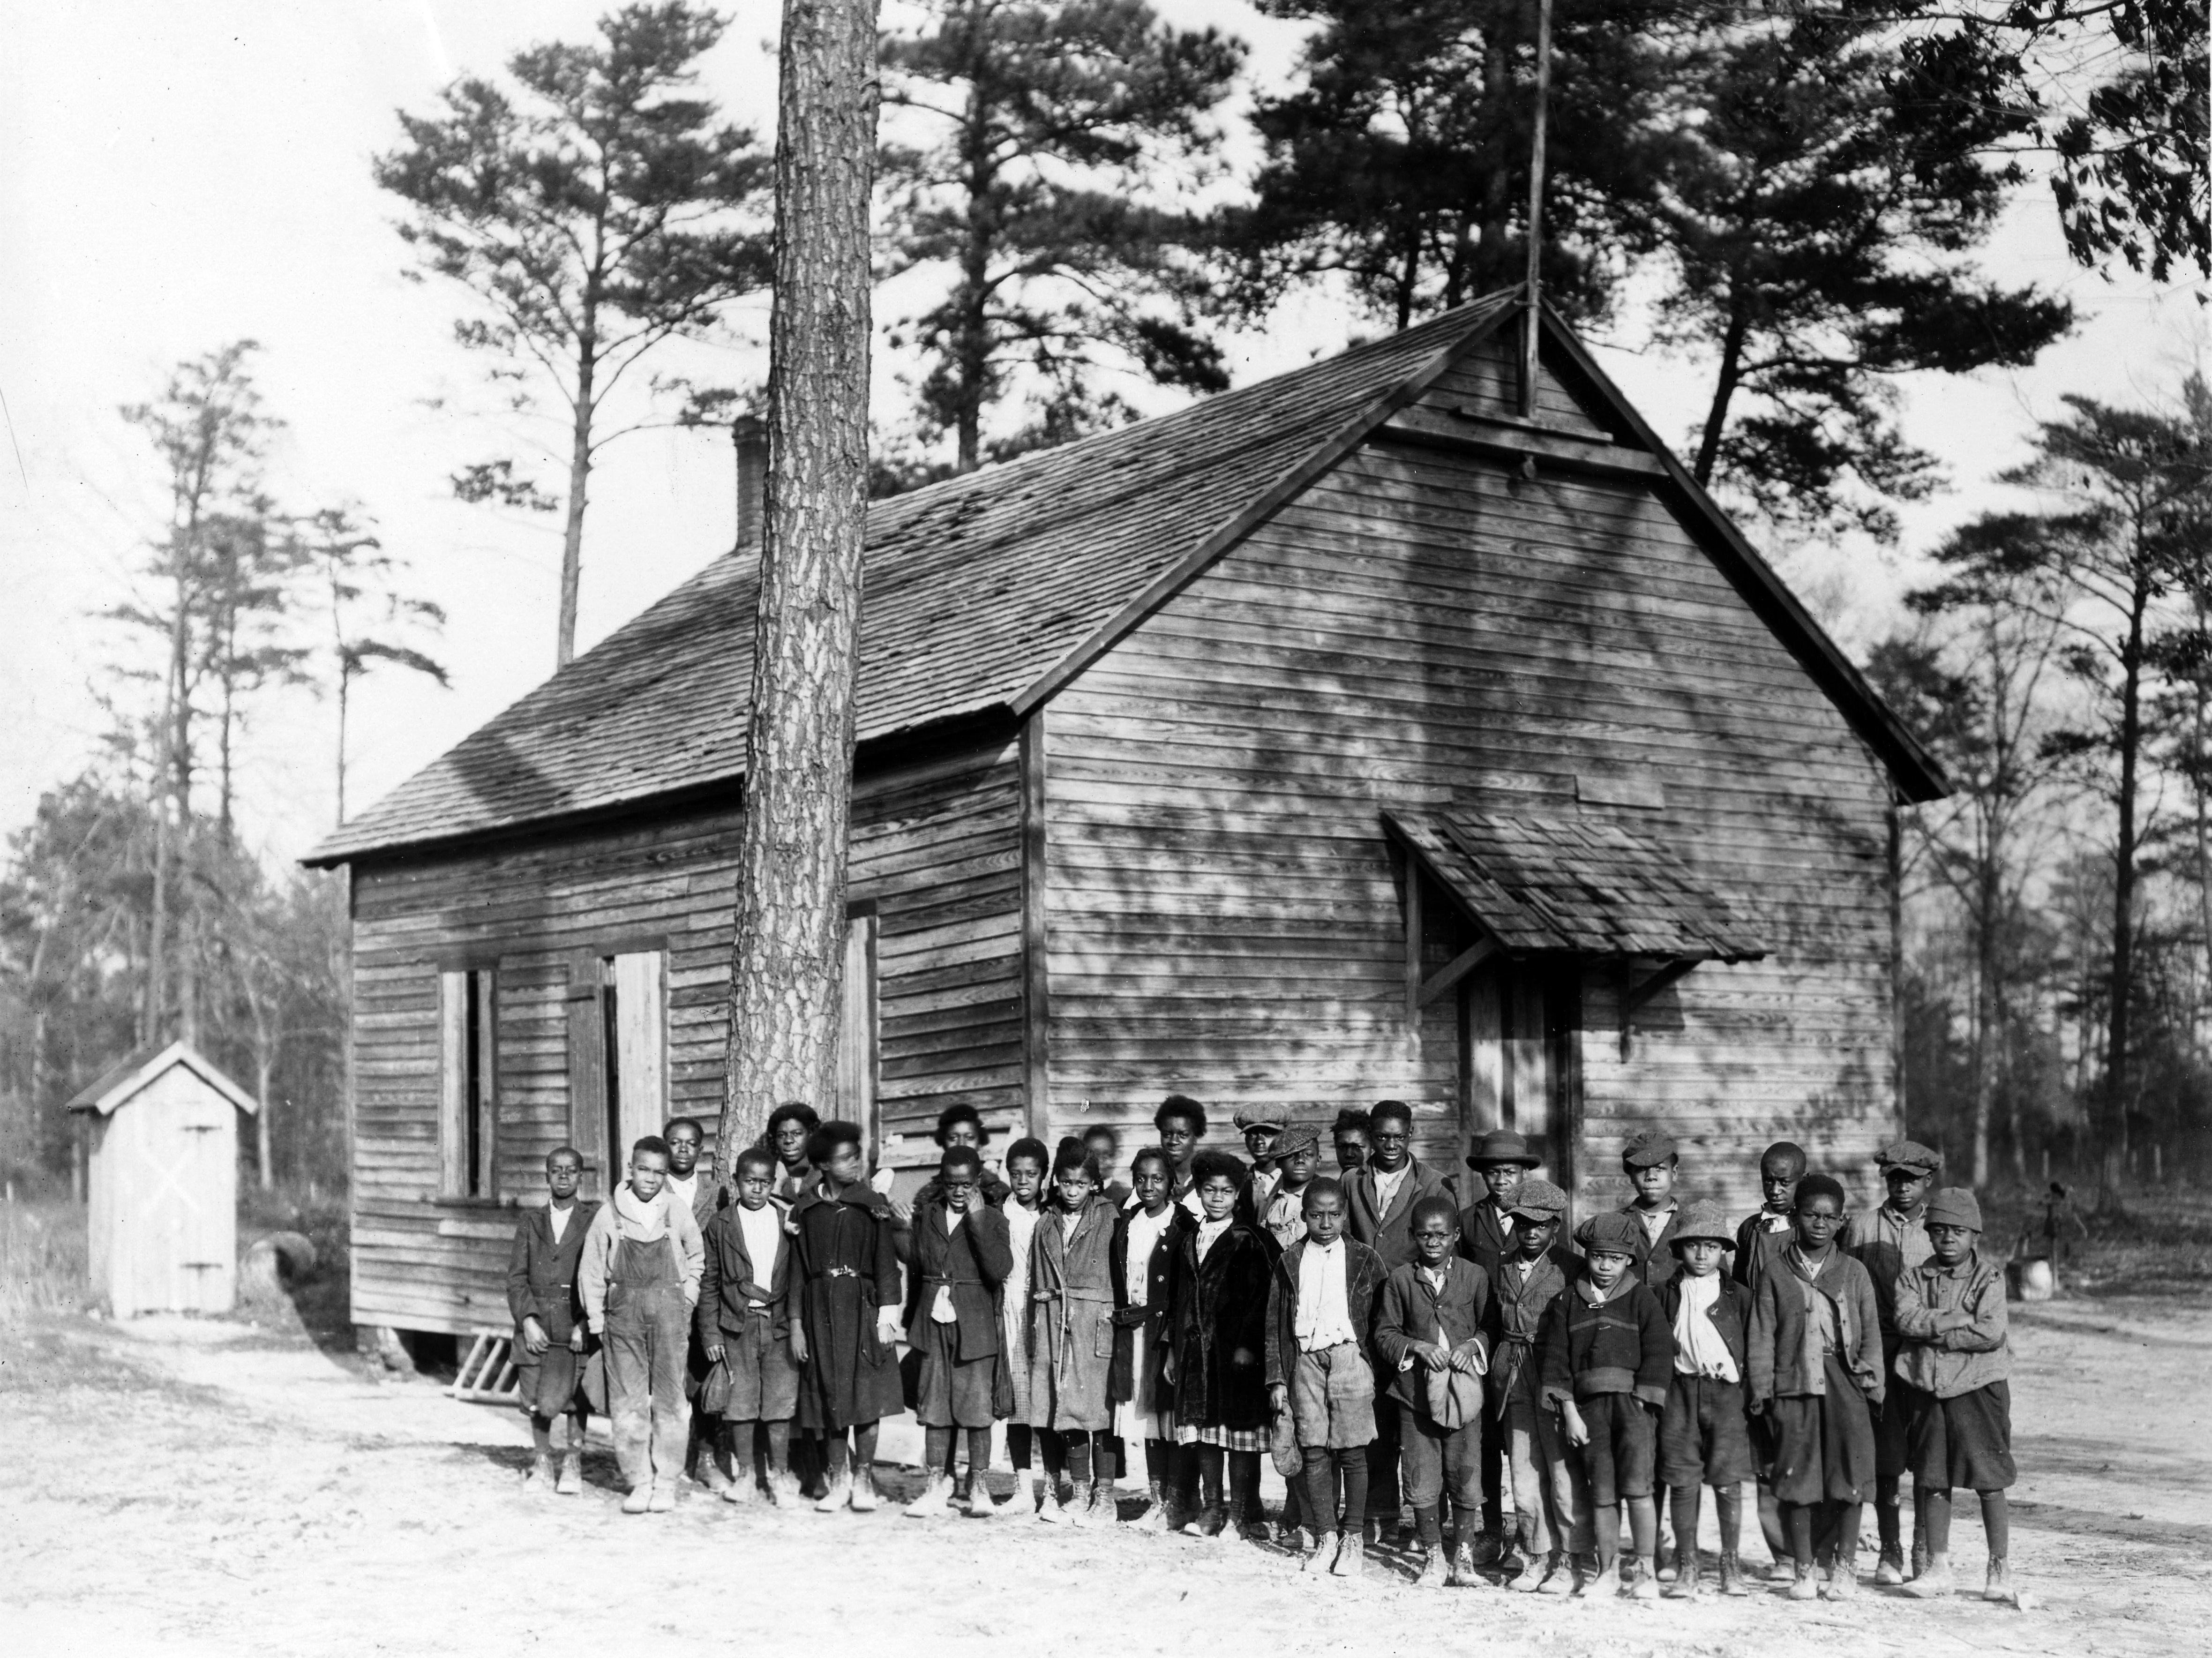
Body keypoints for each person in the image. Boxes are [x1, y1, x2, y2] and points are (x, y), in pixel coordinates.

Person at [1747, 1172, 1884, 1601]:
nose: (1819, 1224)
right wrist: (1763, 1392)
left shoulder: (1854, 1272)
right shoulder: (1775, 1272)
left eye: (1829, 1216)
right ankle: (1803, 1567)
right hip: (1794, 1387)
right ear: (1795, 1216)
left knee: (1849, 1476)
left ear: (1842, 1220)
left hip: (1845, 1385)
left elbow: (1872, 1336)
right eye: (1810, 1214)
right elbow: (1761, 1335)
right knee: (1797, 1477)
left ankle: (1843, 1567)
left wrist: (1870, 1387)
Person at [1895, 1187, 2017, 1604]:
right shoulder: (1913, 1277)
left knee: (1988, 1479)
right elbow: (1905, 1320)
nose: (1948, 1238)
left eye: (1959, 1231)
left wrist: (1933, 1331)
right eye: (1940, 1230)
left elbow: (1989, 1332)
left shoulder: (1991, 1278)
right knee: (1932, 1478)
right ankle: (1938, 1567)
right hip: (1927, 1389)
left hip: (1977, 1389)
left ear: (1974, 1235)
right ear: (1928, 1234)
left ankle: (1998, 1568)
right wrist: (1955, 1319)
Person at [1544, 1211, 1673, 1599]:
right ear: (1587, 1255)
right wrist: (1568, 1411)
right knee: (1601, 1492)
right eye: (1598, 1256)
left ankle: (1646, 1571)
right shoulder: (1568, 1300)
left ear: (1629, 1260)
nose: (1605, 1265)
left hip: (1633, 1408)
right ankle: (1608, 1571)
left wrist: (1642, 1403)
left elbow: (1659, 1350)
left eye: (1615, 1258)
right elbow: (1556, 1359)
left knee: (1638, 1489)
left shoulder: (1641, 1297)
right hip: (1588, 1413)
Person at [577, 1134, 705, 1515]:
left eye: (659, 1172)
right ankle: (639, 1481)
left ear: (666, 1175)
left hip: (670, 1317)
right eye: (644, 1169)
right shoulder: (609, 1214)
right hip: (623, 1318)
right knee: (628, 1403)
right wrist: (598, 1320)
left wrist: (688, 1298)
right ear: (630, 1168)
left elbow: (697, 1257)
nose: (650, 1178)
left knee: (671, 1401)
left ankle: (666, 1481)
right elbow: (591, 1271)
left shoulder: (676, 1210)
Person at [1265, 1178, 1385, 1577]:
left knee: (1352, 1451)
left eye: (1334, 1214)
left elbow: (1381, 1317)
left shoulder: (1365, 1258)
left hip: (1349, 1358)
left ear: (1344, 1214)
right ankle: (1325, 1535)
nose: (1326, 1222)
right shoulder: (1290, 1260)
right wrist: (1278, 1378)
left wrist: (1369, 1365)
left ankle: (1353, 1536)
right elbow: (1275, 1324)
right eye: (1316, 1215)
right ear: (1304, 1217)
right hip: (1305, 1362)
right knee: (1313, 1451)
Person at [1374, 1193, 1492, 1588]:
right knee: (1421, 1475)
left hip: (1463, 1394)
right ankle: (1432, 1556)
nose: (1433, 1242)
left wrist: (1470, 1347)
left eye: (1441, 1235)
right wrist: (1417, 1346)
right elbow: (1384, 1333)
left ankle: (1463, 1557)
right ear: (1412, 1236)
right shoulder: (1400, 1279)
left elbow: (1487, 1327)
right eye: (1424, 1235)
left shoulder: (1474, 1276)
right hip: (1415, 1395)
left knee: (1464, 1472)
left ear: (1456, 1235)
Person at [788, 1120, 905, 1513]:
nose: (856, 1162)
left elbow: (887, 1265)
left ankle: (864, 1477)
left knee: (867, 1397)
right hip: (819, 1313)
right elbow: (796, 1274)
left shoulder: (871, 1205)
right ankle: (838, 1476)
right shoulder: (806, 1211)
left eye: (858, 1155)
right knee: (831, 1398)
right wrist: (796, 1326)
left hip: (863, 1310)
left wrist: (887, 1317)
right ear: (822, 1163)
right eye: (846, 1158)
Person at [1345, 1098, 1447, 1541]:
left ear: (1411, 1134)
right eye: (1381, 1137)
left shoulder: (1434, 1182)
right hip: (1367, 1315)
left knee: (1422, 1415)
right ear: (1371, 1136)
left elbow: (1443, 1247)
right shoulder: (1352, 1181)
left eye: (1398, 1136)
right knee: (1376, 1415)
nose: (1390, 1145)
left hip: (1416, 1309)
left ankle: (1430, 1518)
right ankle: (1380, 1514)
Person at [1844, 1138, 1942, 1584]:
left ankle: (1924, 1547)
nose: (1903, 1187)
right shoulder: (1862, 1227)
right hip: (1878, 1352)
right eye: (1896, 1178)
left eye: (1914, 1179)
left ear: (1928, 1181)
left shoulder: (1942, 1229)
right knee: (1886, 1457)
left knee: (1925, 1454)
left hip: (1924, 1357)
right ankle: (1890, 1549)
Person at [901, 1143, 1015, 1520]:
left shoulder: (994, 1218)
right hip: (933, 1323)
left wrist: (980, 1221)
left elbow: (998, 1270)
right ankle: (936, 1485)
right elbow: (915, 1261)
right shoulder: (929, 1214)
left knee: (977, 1409)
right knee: (934, 1406)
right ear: (942, 1183)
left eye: (967, 1184)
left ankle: (978, 1487)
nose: (960, 1191)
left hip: (975, 1324)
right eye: (952, 1184)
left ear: (978, 1181)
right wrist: (901, 1227)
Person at [1167, 1148, 1274, 1540]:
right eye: (1209, 1190)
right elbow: (1178, 1299)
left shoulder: (1250, 1239)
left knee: (1238, 1433)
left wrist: (1247, 1345)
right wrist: (1174, 1348)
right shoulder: (1190, 1238)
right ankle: (1212, 1507)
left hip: (1234, 1356)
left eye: (1225, 1191)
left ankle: (1243, 1512)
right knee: (1204, 1431)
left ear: (1236, 1195)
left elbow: (1260, 1298)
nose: (1216, 1198)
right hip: (1197, 1354)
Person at [1654, 1199, 1755, 1598]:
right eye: (1693, 1245)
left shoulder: (1739, 1296)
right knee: (1682, 1480)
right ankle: (1687, 1564)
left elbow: (1753, 1348)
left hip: (1726, 1394)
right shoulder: (1663, 1293)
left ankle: (1730, 1565)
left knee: (1728, 1480)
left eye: (1711, 1246)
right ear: (1679, 1248)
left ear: (1723, 1251)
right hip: (1681, 1392)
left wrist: (1746, 1395)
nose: (1701, 1253)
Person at [1486, 1178, 1580, 1595]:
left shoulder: (1572, 1267)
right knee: (1523, 1475)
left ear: (1555, 1226)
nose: (1529, 1232)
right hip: (1514, 1379)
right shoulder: (1502, 1266)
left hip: (1554, 1375)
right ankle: (1536, 1552)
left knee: (1561, 1474)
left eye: (1539, 1226)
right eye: (1522, 1223)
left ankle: (1569, 1559)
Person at [696, 1144, 801, 1506]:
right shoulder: (721, 1223)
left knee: (779, 1401)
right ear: (735, 1182)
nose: (756, 1189)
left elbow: (798, 1275)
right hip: (736, 1327)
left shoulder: (786, 1219)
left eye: (764, 1182)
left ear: (774, 1183)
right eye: (748, 1181)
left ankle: (781, 1473)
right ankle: (746, 1473)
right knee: (739, 1404)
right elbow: (709, 1281)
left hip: (779, 1324)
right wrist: (710, 1332)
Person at [1456, 1127, 1543, 1565]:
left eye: (1510, 1172)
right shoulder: (1469, 1220)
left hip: (1523, 1342)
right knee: (1486, 1439)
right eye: (1493, 1173)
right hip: (1483, 1339)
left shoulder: (1540, 1221)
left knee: (1527, 1441)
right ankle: (1492, 1529)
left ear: (1524, 1174)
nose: (1501, 1181)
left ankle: (1532, 1536)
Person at [1029, 1136, 1121, 1525]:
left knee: (1098, 1414)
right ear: (1056, 1183)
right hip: (1054, 1322)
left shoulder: (1110, 1217)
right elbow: (1037, 1277)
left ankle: (1105, 1495)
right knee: (1061, 1412)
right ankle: (1078, 1489)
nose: (1072, 1191)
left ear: (1094, 1185)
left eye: (1080, 1184)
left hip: (1095, 1324)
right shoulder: (1046, 1222)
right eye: (1065, 1183)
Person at [505, 1146, 600, 1496]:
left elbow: (601, 1274)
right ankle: (542, 1461)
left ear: (581, 1176)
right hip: (539, 1322)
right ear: (546, 1176)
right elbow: (516, 1278)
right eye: (556, 1170)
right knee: (536, 1392)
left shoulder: (593, 1219)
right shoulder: (530, 1221)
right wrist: (527, 1319)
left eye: (571, 1170)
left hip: (575, 1320)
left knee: (577, 1395)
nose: (564, 1176)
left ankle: (573, 1461)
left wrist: (587, 1323)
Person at [1735, 1140, 1806, 1574]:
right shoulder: (1750, 1229)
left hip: (1798, 1349)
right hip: (1757, 1347)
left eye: (1785, 1181)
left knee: (1800, 1449)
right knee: (1764, 1453)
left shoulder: (1810, 1225)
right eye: (1769, 1181)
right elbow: (1742, 1285)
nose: (1776, 1189)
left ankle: (1810, 1549)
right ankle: (1780, 1552)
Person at [1111, 1145, 1188, 1530]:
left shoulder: (1182, 1226)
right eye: (1140, 1178)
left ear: (1171, 1183)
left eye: (1157, 1178)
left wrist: (1174, 1340)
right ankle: (1158, 1500)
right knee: (1148, 1423)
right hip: (1134, 1333)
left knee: (1169, 1417)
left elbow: (1185, 1290)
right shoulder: (1128, 1224)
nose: (1148, 1186)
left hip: (1165, 1335)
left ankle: (1177, 1501)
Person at [661, 1115, 728, 1493]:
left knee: (703, 1377)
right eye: (675, 1142)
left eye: (691, 1143)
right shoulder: (651, 1187)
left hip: (703, 1298)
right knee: (666, 1379)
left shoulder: (715, 1192)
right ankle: (667, 1461)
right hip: (664, 1297)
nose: (683, 1150)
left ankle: (704, 1458)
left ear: (701, 1150)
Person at [999, 1136, 1051, 1510]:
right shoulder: (999, 1213)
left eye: (1031, 1174)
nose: (1022, 1181)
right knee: (1017, 1403)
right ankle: (1023, 1488)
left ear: (1044, 1176)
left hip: (1045, 1309)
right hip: (1010, 1307)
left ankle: (1052, 1488)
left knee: (1048, 1403)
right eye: (1016, 1174)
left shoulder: (1052, 1215)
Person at [1619, 1128, 1684, 1292]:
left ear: (1674, 1173)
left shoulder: (1692, 1221)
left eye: (1660, 1168)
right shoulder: (1618, 1222)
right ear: (1631, 1176)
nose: (1651, 1176)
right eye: (1641, 1169)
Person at [1256, 1123, 1322, 1252]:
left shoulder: (1323, 1200)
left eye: (1308, 1154)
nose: (1300, 1160)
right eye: (1292, 1155)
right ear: (1278, 1162)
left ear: (1318, 1161)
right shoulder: (1269, 1204)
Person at [1155, 1094, 1208, 1209]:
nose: (1174, 1141)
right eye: (1167, 1134)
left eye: (1183, 1135)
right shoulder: (1153, 1177)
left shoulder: (1207, 1176)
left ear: (1196, 1137)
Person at [765, 1101, 821, 1203]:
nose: (788, 1140)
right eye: (782, 1135)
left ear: (811, 1134)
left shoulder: (825, 1175)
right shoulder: (766, 1175)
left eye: (796, 1134)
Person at [1237, 1110, 1287, 1219]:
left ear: (1282, 1138)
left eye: (1268, 1134)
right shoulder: (1239, 1182)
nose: (1259, 1141)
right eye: (1252, 1135)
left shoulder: (1298, 1180)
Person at [1084, 1125, 1131, 1207]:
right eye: (1096, 1154)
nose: (1101, 1160)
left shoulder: (1126, 1196)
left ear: (1115, 1157)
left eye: (1108, 1155)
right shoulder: (1073, 1193)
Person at [1331, 1108, 1372, 1177]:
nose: (1349, 1154)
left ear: (1373, 1148)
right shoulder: (1334, 1187)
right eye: (1342, 1147)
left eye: (1358, 1147)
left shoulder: (1382, 1186)